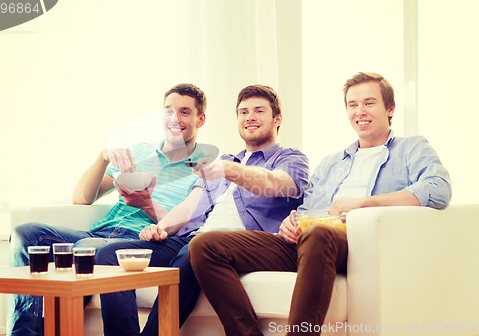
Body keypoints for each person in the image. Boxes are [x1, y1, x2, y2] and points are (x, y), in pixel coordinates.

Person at [189, 72, 453, 336]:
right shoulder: (332, 162)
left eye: (369, 103)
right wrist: (290, 222)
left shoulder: (411, 148)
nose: (360, 111)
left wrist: (364, 204)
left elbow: (437, 188)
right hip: (308, 241)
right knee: (204, 245)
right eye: (353, 105)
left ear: (390, 108)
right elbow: (306, 209)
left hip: (353, 242)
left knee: (319, 233)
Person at [94, 84, 310, 335]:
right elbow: (190, 207)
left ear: (277, 119)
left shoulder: (291, 158)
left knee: (196, 249)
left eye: (259, 111)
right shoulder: (226, 160)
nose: (249, 117)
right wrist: (159, 227)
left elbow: (278, 183)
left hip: (239, 245)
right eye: (243, 112)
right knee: (111, 254)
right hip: (192, 240)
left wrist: (229, 171)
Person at [7, 83, 208, 336]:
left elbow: (188, 225)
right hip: (100, 234)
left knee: (89, 250)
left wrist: (146, 204)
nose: (174, 119)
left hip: (144, 241)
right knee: (27, 233)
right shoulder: (139, 152)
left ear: (200, 119)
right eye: (168, 111)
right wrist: (102, 157)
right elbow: (81, 198)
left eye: (184, 112)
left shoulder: (205, 166)